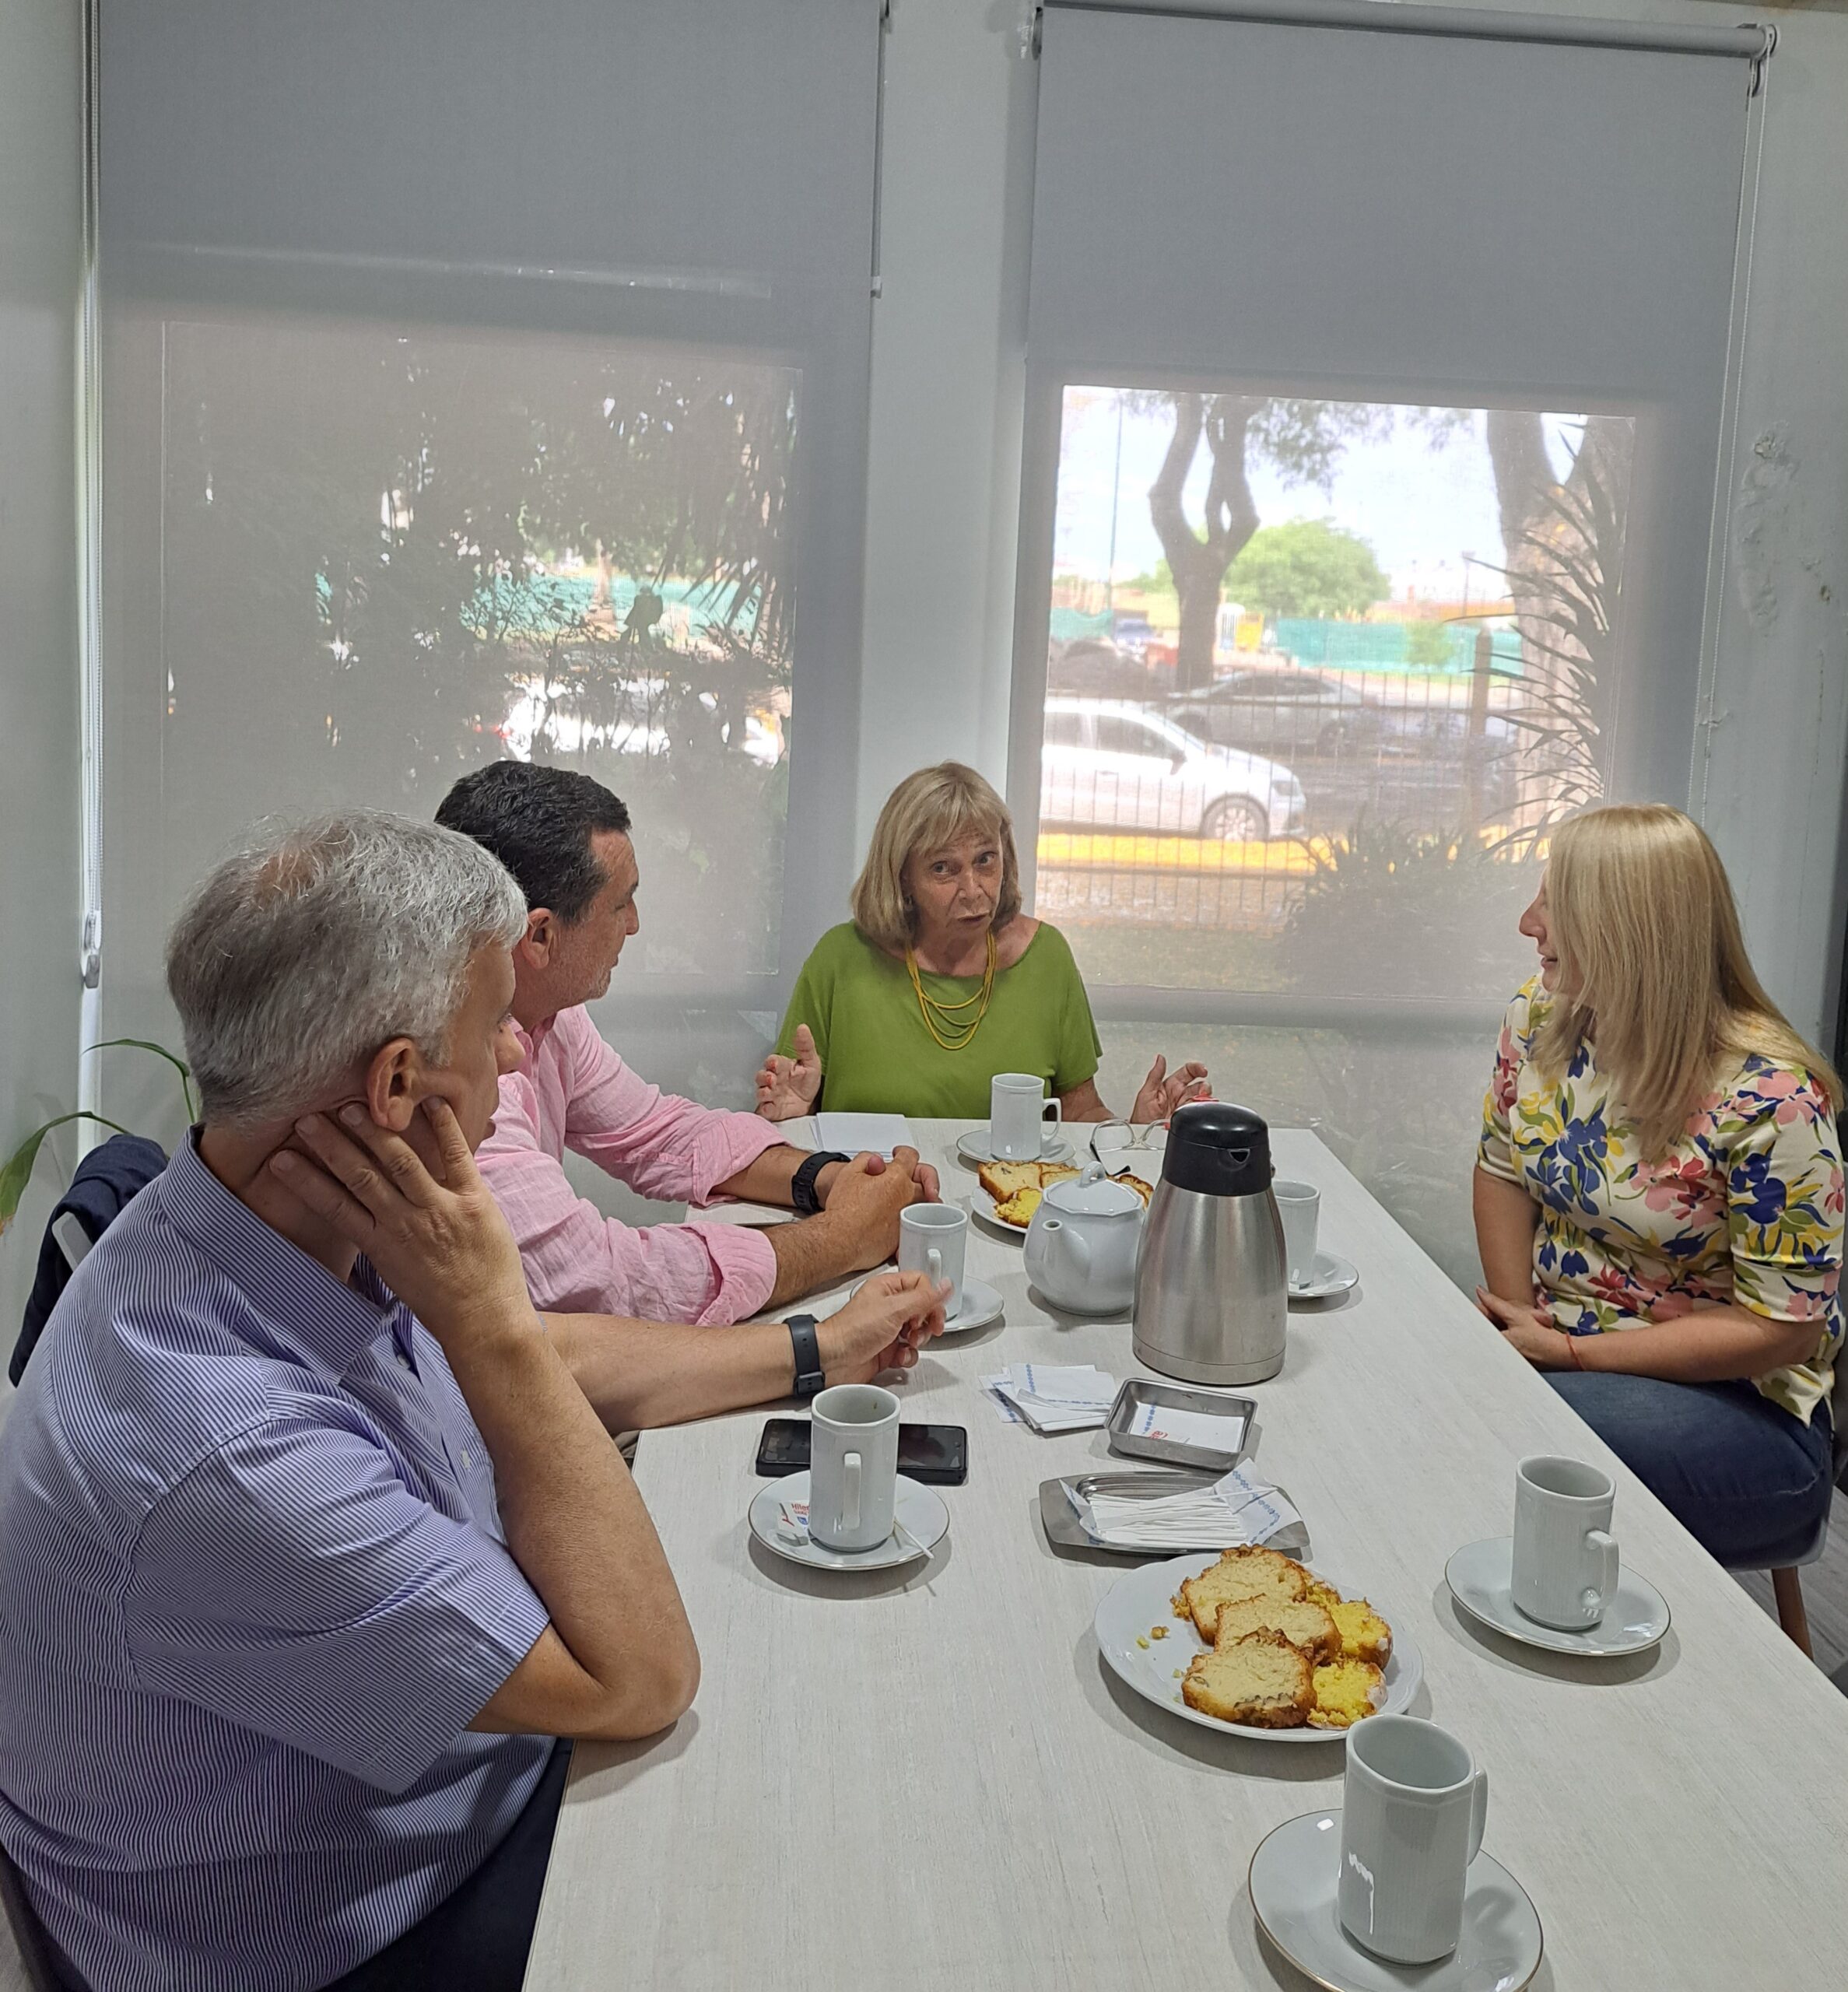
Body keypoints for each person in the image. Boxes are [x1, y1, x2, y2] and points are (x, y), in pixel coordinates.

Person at [0, 812, 943, 1992]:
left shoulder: (256, 1210)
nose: (516, 1054)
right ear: (397, 1081)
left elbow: (554, 1358)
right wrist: (490, 1321)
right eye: (496, 1022)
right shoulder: (224, 1448)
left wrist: (817, 1349)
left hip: (425, 1797)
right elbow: (638, 1680)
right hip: (357, 1925)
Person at [436, 762, 941, 1327]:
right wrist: (845, 1237)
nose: (633, 924)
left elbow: (655, 1133)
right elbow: (601, 1283)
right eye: (619, 903)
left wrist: (835, 1178)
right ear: (541, 936)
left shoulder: (548, 1014)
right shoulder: (455, 1069)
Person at [1473, 803, 1843, 1567]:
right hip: (1560, 1349)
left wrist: (1567, 1357)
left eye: (1552, 902)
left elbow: (1784, 1329)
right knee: (1456, 1399)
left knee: (1494, 1435)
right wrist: (1520, 1324)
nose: (1525, 921)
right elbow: (1501, 1170)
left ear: (1623, 929)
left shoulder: (1771, 1100)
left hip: (1739, 1411)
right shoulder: (1540, 1016)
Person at [756, 762, 1210, 1124]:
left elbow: (1079, 1114)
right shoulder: (841, 959)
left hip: (1012, 1213)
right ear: (902, 879)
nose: (973, 890)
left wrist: (1136, 1132)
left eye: (985, 860)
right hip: (861, 1210)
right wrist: (790, 1119)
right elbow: (792, 1101)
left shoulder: (1046, 957)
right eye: (943, 868)